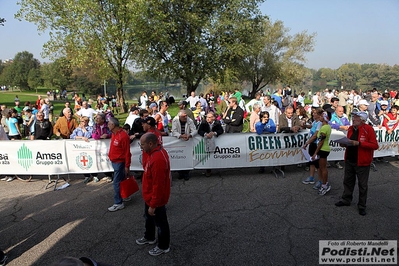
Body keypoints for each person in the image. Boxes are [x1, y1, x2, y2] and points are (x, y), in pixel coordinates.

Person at [335, 111, 379, 216]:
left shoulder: (368, 129)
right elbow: (349, 142)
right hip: (350, 159)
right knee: (347, 181)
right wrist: (344, 144)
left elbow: (375, 145)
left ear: (362, 120)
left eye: (356, 118)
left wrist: (360, 143)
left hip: (362, 161)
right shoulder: (351, 128)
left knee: (362, 185)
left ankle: (362, 206)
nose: (353, 119)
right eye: (353, 117)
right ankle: (346, 199)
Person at [136, 132, 171, 256]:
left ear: (151, 144)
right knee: (149, 218)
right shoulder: (151, 153)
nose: (141, 147)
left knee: (161, 223)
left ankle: (163, 246)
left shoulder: (157, 159)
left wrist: (154, 204)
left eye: (142, 145)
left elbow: (158, 185)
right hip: (149, 196)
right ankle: (150, 237)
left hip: (156, 199)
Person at [107, 117, 131, 212]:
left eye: (109, 124)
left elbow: (127, 152)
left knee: (117, 182)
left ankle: (118, 203)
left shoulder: (123, 136)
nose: (108, 125)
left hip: (119, 162)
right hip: (115, 161)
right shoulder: (114, 134)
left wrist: (127, 166)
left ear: (113, 125)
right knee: (122, 180)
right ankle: (125, 196)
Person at [171, 110, 197, 180]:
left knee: (187, 156)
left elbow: (194, 130)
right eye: (183, 116)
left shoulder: (189, 120)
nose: (185, 117)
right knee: (179, 157)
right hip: (179, 140)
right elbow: (174, 131)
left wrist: (190, 135)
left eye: (186, 115)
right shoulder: (175, 120)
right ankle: (180, 173)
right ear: (179, 117)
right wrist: (181, 136)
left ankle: (186, 173)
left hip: (187, 140)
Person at [312, 110, 332, 195]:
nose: (319, 117)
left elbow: (321, 142)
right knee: (321, 167)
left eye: (321, 116)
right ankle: (324, 183)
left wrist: (315, 153)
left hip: (323, 149)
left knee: (323, 168)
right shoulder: (326, 126)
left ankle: (325, 185)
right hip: (324, 148)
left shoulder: (324, 128)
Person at [198, 111, 224, 176]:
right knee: (207, 156)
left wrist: (214, 133)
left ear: (213, 118)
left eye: (209, 117)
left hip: (215, 141)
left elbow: (221, 130)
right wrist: (205, 134)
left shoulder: (217, 123)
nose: (207, 119)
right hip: (206, 141)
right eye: (207, 117)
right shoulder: (204, 122)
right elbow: (199, 131)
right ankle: (208, 170)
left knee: (215, 154)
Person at [302, 108, 322, 187]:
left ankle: (320, 180)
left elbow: (315, 135)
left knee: (318, 163)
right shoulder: (315, 121)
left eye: (315, 113)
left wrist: (307, 143)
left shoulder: (320, 123)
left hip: (316, 144)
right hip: (312, 144)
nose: (313, 114)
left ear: (319, 115)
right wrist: (305, 126)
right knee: (311, 161)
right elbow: (311, 126)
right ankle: (311, 177)